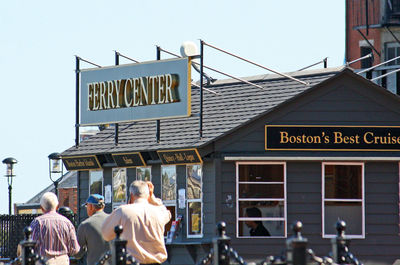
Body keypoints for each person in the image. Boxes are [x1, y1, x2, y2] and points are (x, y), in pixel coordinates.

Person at [101, 180, 171, 265]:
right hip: (156, 261)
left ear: (131, 195)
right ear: (148, 195)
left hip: (131, 261)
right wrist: (153, 198)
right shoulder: (159, 212)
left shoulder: (122, 211)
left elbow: (105, 234)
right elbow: (167, 213)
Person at [30, 192, 80, 265]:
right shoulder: (67, 223)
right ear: (57, 206)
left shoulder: (37, 223)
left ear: (41, 208)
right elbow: (75, 249)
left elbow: (30, 248)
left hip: (43, 261)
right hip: (62, 261)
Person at [74, 194, 111, 265]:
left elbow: (78, 254)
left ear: (91, 206)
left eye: (86, 206)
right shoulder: (114, 220)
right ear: (103, 206)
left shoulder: (85, 225)